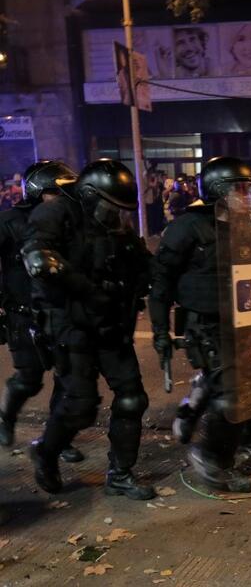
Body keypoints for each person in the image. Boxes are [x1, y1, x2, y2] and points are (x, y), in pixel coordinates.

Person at [23, 159, 154, 499]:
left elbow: (142, 264)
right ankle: (46, 452)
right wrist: (89, 290)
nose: (116, 217)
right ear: (91, 195)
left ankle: (121, 473)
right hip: (72, 325)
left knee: (131, 398)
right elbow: (39, 260)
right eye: (112, 209)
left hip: (111, 324)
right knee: (80, 405)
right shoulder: (56, 214)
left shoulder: (116, 227)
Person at [149, 156, 251, 493]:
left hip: (241, 319)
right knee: (233, 395)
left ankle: (195, 402)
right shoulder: (188, 227)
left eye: (247, 190)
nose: (244, 196)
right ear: (217, 190)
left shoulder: (245, 224)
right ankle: (211, 458)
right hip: (205, 323)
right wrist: (160, 332)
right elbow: (161, 282)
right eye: (238, 190)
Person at [0, 162, 84, 464]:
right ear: (38, 191)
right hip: (23, 314)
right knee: (29, 378)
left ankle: (56, 439)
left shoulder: (68, 220)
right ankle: (6, 417)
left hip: (59, 311)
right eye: (55, 192)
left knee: (68, 379)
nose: (62, 197)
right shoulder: (9, 221)